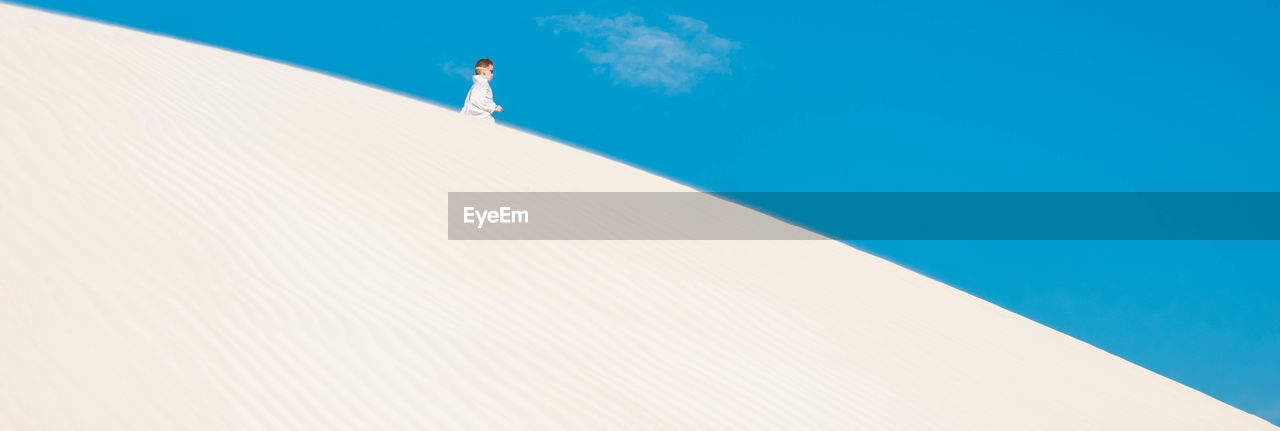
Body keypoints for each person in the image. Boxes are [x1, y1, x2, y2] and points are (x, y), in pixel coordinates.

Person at [460, 58, 502, 123]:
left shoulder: (476, 85)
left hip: (470, 117)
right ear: (484, 71)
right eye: (491, 71)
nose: (492, 74)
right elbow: (480, 99)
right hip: (479, 119)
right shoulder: (483, 83)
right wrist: (494, 107)